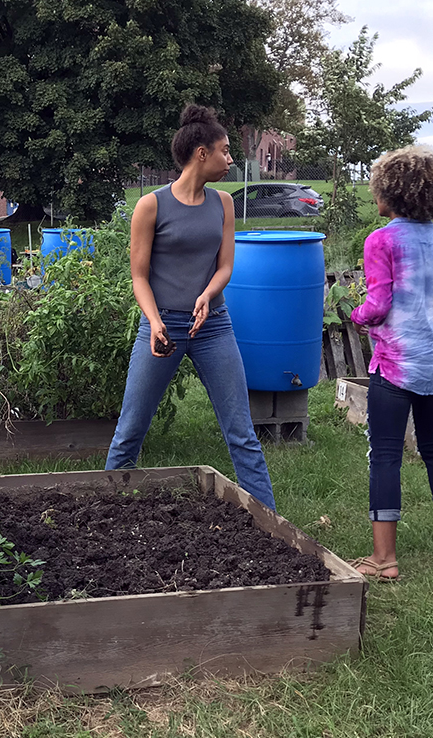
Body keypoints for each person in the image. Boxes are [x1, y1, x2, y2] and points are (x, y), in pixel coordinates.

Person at [105, 105, 276, 510]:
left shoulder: (223, 204)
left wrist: (206, 293)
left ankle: (273, 524)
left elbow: (226, 267)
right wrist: (154, 321)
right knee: (130, 429)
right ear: (202, 153)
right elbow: (139, 277)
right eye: (225, 151)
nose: (231, 160)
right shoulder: (151, 205)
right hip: (161, 328)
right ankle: (107, 513)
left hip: (213, 326)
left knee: (241, 432)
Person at [348, 145, 433, 581]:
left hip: (396, 368)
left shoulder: (380, 240)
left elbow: (378, 304)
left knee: (384, 454)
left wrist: (357, 316)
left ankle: (384, 560)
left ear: (389, 195)